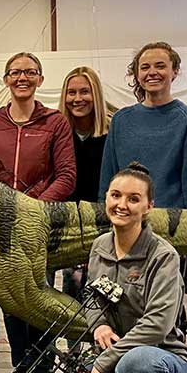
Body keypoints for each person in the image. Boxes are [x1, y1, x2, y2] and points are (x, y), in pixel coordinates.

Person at [34, 163, 187, 373]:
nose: (122, 205)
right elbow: (94, 298)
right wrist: (99, 327)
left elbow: (158, 325)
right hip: (114, 362)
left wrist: (105, 360)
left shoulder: (164, 256)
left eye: (133, 199)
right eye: (116, 195)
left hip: (162, 359)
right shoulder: (99, 247)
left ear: (149, 206)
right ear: (106, 197)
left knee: (139, 363)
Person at [0, 51, 76, 373]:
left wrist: (34, 209)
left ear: (40, 79)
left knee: (41, 298)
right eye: (15, 72)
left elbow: (67, 175)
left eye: (30, 72)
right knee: (12, 301)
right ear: (6, 80)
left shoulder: (56, 123)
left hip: (41, 227)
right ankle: (22, 371)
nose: (22, 78)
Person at [99, 42, 187, 210]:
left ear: (174, 71)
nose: (152, 72)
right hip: (127, 221)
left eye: (160, 66)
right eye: (145, 67)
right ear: (136, 75)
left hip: (172, 225)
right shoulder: (120, 121)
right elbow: (108, 179)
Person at [60, 66, 112, 302]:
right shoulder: (57, 133)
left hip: (104, 224)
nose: (78, 99)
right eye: (71, 93)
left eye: (85, 92)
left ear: (96, 95)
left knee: (104, 295)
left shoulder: (112, 131)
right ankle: (73, 341)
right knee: (72, 294)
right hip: (69, 225)